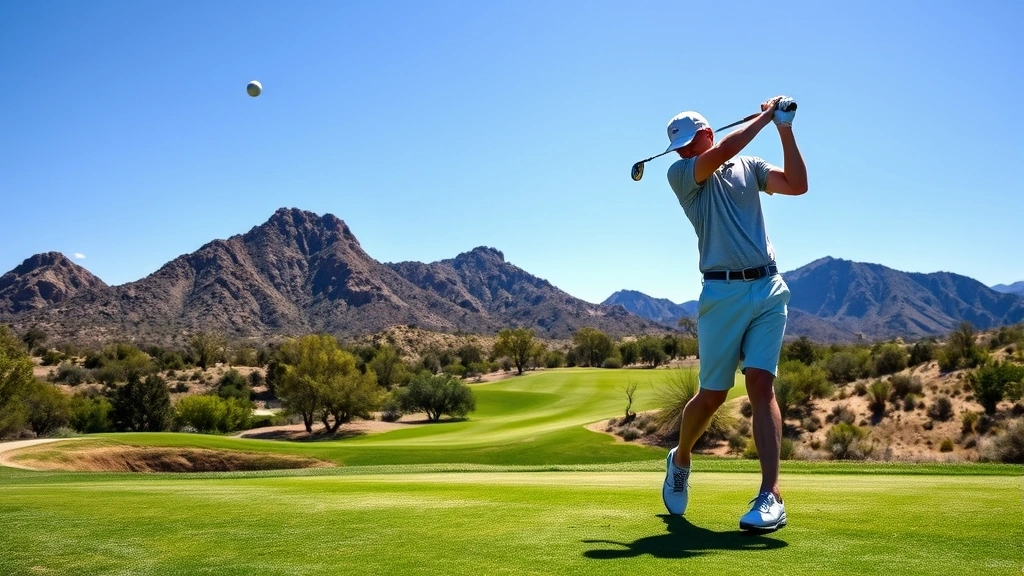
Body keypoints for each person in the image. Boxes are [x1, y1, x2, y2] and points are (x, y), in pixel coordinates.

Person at [660, 95, 807, 531]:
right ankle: (681, 458)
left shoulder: (750, 166)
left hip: (767, 286)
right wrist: (765, 115)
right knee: (713, 395)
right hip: (721, 293)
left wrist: (784, 127)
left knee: (762, 385)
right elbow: (724, 151)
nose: (686, 152)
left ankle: (770, 495)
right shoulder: (681, 175)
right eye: (680, 147)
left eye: (690, 142)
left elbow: (797, 184)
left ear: (707, 130)